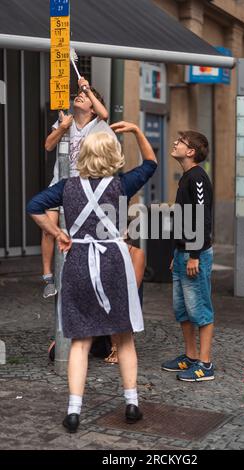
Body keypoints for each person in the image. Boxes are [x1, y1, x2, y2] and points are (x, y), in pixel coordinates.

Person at [27, 122, 157, 432]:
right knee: (123, 337)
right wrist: (138, 132)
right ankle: (132, 403)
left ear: (83, 155)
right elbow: (151, 164)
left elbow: (34, 206)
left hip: (78, 262)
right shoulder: (121, 185)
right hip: (113, 260)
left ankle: (73, 411)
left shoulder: (67, 187)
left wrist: (58, 232)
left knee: (80, 341)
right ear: (113, 155)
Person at [42, 76, 113, 299]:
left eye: (84, 96)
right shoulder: (66, 120)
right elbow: (48, 145)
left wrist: (87, 87)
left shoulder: (97, 124)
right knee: (48, 227)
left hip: (83, 186)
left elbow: (105, 114)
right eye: (79, 95)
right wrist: (62, 128)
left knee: (76, 232)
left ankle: (78, 276)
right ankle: (47, 277)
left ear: (91, 107)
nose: (79, 96)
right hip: (59, 183)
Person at [161, 131, 215, 382]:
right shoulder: (186, 178)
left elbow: (202, 218)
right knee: (182, 309)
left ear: (191, 151)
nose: (175, 142)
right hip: (183, 253)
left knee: (200, 309)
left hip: (196, 255)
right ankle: (190, 356)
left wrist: (193, 254)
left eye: (180, 141)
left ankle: (205, 364)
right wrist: (178, 252)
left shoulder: (198, 178)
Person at [104, 236, 145, 364]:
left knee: (118, 299)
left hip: (122, 307)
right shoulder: (105, 253)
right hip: (101, 315)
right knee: (54, 351)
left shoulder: (137, 254)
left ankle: (117, 346)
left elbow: (132, 289)